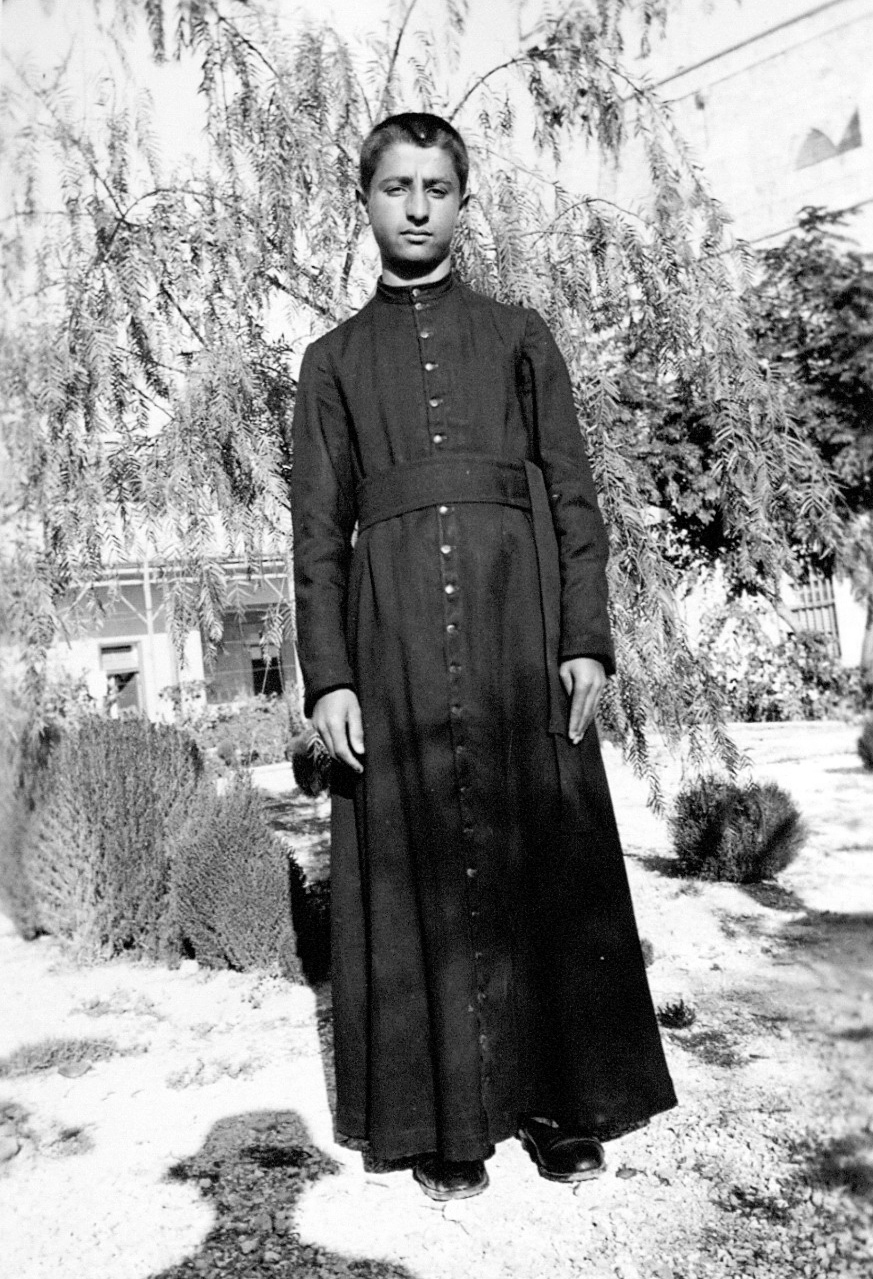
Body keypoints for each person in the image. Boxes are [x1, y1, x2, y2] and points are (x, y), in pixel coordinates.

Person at [290, 112, 676, 1202]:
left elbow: (574, 497)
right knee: (416, 858)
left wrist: (585, 638)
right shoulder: (330, 363)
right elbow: (315, 535)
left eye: (437, 188)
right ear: (365, 201)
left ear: (464, 201)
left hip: (521, 631)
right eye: (396, 187)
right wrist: (331, 676)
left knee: (540, 854)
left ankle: (559, 1105)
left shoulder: (519, 336)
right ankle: (443, 1122)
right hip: (394, 643)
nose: (416, 207)